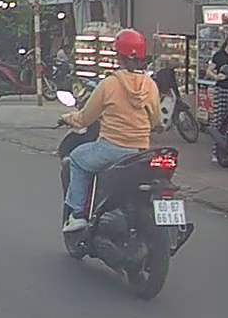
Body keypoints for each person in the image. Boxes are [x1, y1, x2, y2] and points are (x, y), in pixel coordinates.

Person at [58, 28, 161, 232]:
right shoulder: (150, 85)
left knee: (76, 159)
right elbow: (156, 121)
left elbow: (85, 119)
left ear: (118, 55)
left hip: (111, 148)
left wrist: (67, 118)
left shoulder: (109, 84)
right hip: (141, 152)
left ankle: (77, 215)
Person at [206, 32, 228, 159]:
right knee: (219, 120)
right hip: (221, 90)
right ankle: (216, 152)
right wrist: (216, 77)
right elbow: (209, 71)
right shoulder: (219, 56)